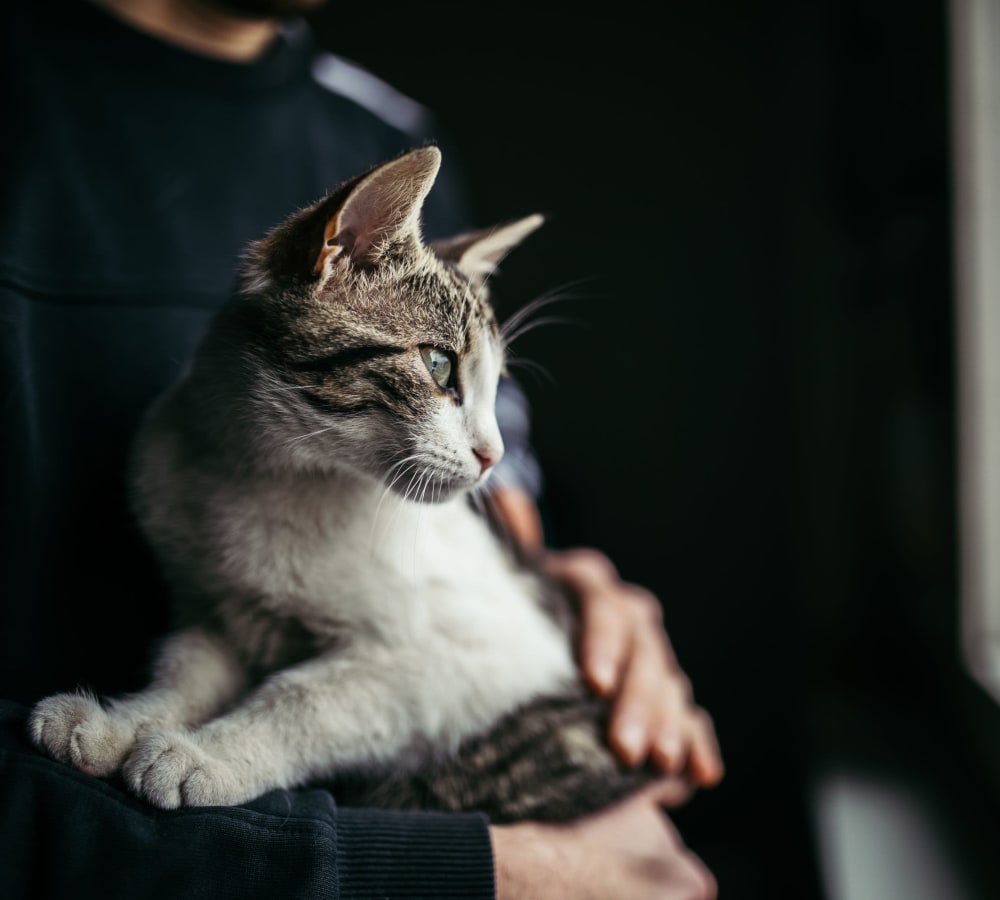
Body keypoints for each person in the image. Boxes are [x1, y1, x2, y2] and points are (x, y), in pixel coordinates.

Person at [0, 0, 722, 897]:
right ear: (333, 253)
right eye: (449, 379)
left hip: (521, 762)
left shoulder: (389, 129)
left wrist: (568, 577)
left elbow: (495, 478)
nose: (487, 441)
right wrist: (482, 871)